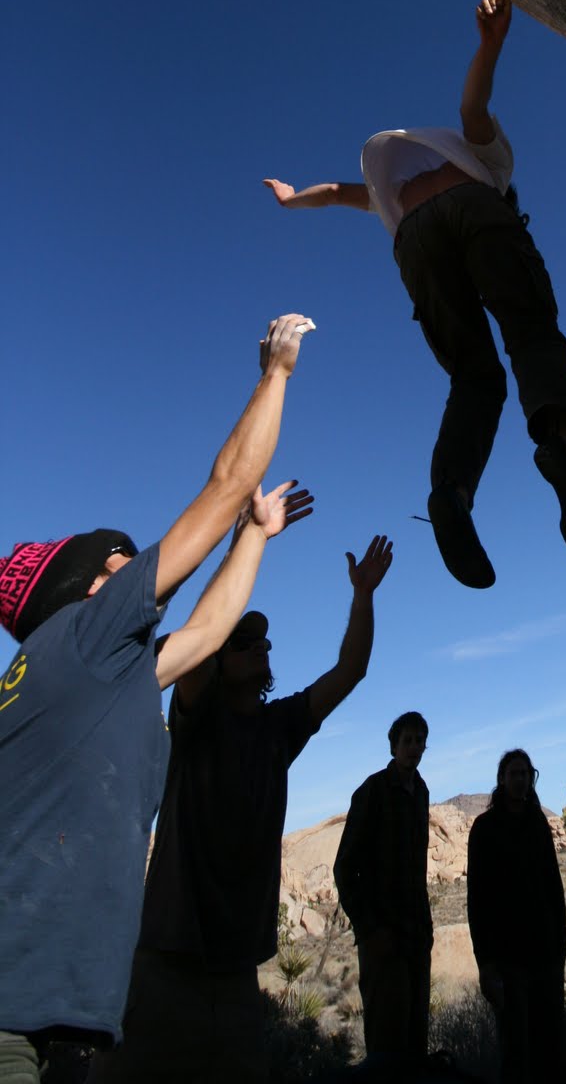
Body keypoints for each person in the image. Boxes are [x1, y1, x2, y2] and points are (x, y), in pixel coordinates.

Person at [0, 312, 314, 1084]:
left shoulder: (78, 677)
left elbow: (208, 631)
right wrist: (275, 372)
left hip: (56, 1013)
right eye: (118, 566)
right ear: (80, 592)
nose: (137, 577)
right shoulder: (80, 636)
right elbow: (227, 485)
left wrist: (256, 538)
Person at [264, 0, 566, 589]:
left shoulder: (393, 195)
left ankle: (453, 493)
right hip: (474, 211)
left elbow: (343, 193)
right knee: (530, 330)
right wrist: (489, 47)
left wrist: (294, 200)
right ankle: (560, 449)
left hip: (414, 239)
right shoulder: (495, 172)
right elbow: (475, 109)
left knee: (474, 377)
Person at [88, 532, 393, 1084]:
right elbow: (200, 641)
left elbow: (350, 670)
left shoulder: (278, 729)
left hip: (235, 977)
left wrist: (364, 595)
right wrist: (241, 545)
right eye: (243, 642)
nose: (261, 647)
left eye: (265, 644)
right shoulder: (196, 720)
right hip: (165, 964)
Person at [334, 711, 432, 1073]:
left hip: (416, 936)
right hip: (383, 938)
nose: (414, 748)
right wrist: (370, 929)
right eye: (408, 740)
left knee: (415, 1040)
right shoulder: (372, 791)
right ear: (394, 745)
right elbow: (345, 867)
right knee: (386, 1044)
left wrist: (427, 929)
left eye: (420, 741)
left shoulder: (421, 792)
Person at [466, 749, 566, 1084]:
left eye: (526, 773)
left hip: (545, 951)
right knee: (516, 1049)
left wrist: (561, 936)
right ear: (502, 779)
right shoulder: (484, 829)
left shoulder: (537, 823)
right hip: (507, 957)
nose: (521, 779)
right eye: (514, 773)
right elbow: (477, 899)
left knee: (548, 1042)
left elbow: (553, 882)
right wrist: (485, 961)